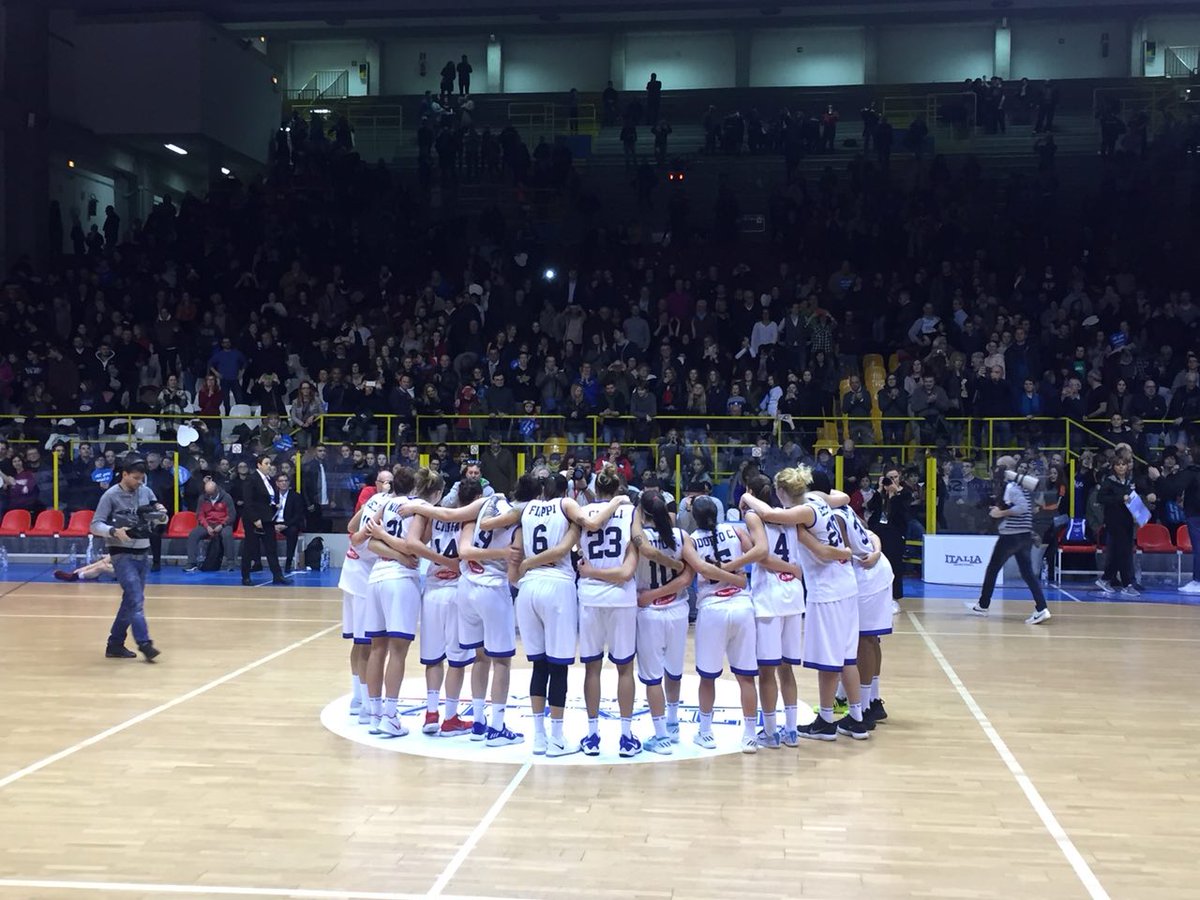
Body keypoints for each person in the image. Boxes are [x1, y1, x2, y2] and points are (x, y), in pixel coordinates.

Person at [742, 466, 867, 740]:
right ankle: (856, 718)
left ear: (782, 491)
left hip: (828, 589)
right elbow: (844, 498)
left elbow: (771, 515)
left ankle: (825, 720)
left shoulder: (801, 512)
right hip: (846, 584)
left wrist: (747, 497)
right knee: (847, 656)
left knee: (829, 660)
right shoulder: (818, 500)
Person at [364, 467, 442, 737]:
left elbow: (370, 543)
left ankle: (373, 714)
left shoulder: (384, 504)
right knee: (397, 652)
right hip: (400, 580)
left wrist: (391, 549)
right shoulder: (421, 506)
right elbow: (413, 545)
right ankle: (389, 716)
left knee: (377, 649)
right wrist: (400, 554)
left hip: (376, 577)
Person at [679, 495, 760, 753]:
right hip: (742, 606)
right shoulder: (735, 529)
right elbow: (752, 554)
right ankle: (749, 735)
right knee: (746, 677)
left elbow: (702, 570)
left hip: (712, 609)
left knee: (707, 677)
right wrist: (736, 579)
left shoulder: (689, 540)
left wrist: (724, 575)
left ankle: (705, 732)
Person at [574, 464, 644, 758]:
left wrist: (589, 571)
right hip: (621, 599)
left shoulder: (581, 514)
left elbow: (576, 550)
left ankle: (592, 735)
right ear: (618, 489)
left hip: (590, 597)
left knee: (592, 668)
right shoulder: (631, 512)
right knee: (624, 668)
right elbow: (637, 552)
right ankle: (626, 736)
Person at [742, 473, 805, 748]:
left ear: (749, 491)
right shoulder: (788, 514)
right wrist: (794, 569)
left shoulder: (754, 517)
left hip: (770, 596)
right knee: (786, 668)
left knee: (767, 671)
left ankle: (770, 732)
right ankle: (791, 730)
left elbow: (763, 556)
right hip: (793, 596)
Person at [630, 490, 692, 753]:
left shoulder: (638, 540)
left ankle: (661, 735)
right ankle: (673, 722)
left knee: (652, 677)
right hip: (678, 609)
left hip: (650, 612)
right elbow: (688, 577)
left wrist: (651, 596)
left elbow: (639, 543)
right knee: (674, 670)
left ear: (643, 512)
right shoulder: (681, 536)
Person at [90, 454, 163, 662]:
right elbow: (95, 525)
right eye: (136, 478)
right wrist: (113, 531)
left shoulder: (147, 492)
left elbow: (161, 514)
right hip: (122, 554)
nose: (139, 482)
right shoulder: (110, 496)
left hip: (143, 552)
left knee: (130, 601)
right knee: (136, 598)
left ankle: (115, 644)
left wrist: (160, 516)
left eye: (141, 479)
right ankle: (145, 643)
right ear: (124, 474)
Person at [339, 468, 395, 722]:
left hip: (354, 573)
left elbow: (351, 526)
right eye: (383, 482)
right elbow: (357, 537)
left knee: (360, 641)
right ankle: (363, 702)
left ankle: (358, 696)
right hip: (360, 575)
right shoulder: (383, 505)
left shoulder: (373, 500)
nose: (386, 486)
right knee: (365, 643)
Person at [969, 456, 1051, 623]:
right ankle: (1041, 608)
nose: (995, 470)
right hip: (1023, 535)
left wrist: (1001, 513)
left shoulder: (1012, 487)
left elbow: (1021, 508)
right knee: (1027, 573)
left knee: (993, 568)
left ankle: (983, 605)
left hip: (1011, 536)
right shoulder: (1021, 486)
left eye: (999, 467)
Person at [835, 505, 894, 726]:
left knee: (864, 640)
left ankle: (866, 706)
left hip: (867, 577)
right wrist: (877, 551)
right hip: (876, 572)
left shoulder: (831, 514)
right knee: (870, 639)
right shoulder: (843, 507)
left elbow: (850, 546)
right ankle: (871, 699)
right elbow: (869, 533)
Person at [1093, 456, 1139, 598]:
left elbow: (1134, 498)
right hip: (1114, 522)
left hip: (1127, 521)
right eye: (1118, 465)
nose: (1121, 467)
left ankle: (1105, 579)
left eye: (1123, 464)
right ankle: (1127, 584)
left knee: (1121, 553)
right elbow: (1100, 498)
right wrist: (1120, 498)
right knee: (1122, 553)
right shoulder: (1109, 482)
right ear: (1113, 467)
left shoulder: (1130, 482)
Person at [240, 454, 288, 586]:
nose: (269, 466)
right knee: (250, 548)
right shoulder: (251, 479)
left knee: (271, 548)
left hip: (268, 519)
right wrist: (255, 519)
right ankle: (245, 576)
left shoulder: (270, 480)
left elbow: (273, 496)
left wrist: (275, 506)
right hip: (253, 520)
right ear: (259, 465)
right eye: (266, 463)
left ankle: (277, 575)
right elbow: (248, 502)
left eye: (270, 463)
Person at [183, 477, 236, 573]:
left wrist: (222, 525)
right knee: (193, 534)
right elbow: (200, 515)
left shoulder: (226, 497)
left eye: (211, 493)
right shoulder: (202, 498)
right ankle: (191, 563)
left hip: (223, 524)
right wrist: (206, 526)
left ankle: (230, 562)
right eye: (208, 493)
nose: (209, 495)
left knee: (227, 534)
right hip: (208, 524)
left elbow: (232, 515)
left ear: (216, 490)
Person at [272, 473, 305, 571]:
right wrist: (273, 525)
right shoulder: (272, 496)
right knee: (263, 532)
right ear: (277, 483)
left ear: (289, 483)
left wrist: (285, 525)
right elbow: (267, 512)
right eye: (281, 481)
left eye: (286, 481)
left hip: (288, 524)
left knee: (293, 531)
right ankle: (269, 563)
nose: (284, 483)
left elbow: (298, 515)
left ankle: (288, 562)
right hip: (273, 523)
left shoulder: (295, 496)